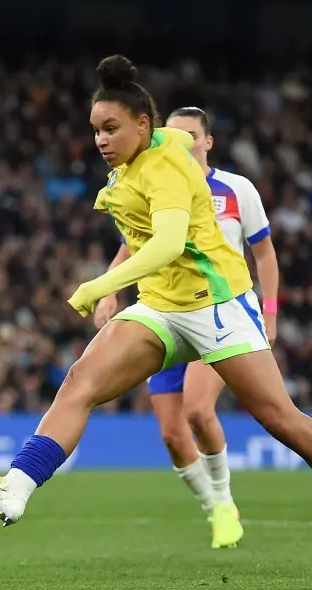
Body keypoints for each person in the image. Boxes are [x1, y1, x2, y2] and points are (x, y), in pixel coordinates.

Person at [0, 56, 312, 580]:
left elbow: (163, 244)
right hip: (161, 307)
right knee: (80, 383)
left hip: (218, 303)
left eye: (110, 127)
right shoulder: (155, 145)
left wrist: (99, 286)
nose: (100, 140)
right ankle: (15, 490)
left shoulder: (162, 167)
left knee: (279, 418)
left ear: (142, 125)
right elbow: (177, 144)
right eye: (95, 129)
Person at [92, 107, 279, 550]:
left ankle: (226, 500)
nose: (180, 143)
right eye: (171, 135)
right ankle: (214, 507)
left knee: (197, 410)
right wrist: (109, 289)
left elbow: (265, 255)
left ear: (208, 141)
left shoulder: (236, 190)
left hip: (219, 312)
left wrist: (269, 312)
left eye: (190, 136)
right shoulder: (154, 182)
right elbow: (133, 244)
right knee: (173, 435)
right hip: (164, 311)